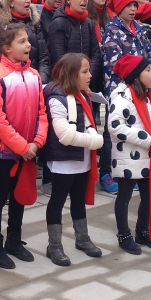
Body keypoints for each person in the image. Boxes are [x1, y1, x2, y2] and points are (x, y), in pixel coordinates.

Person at [0, 24, 48, 269]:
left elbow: (42, 112)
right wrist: (22, 146)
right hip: (5, 151)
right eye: (22, 42)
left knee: (20, 196)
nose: (28, 45)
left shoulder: (33, 75)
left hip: (29, 149)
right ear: (7, 48)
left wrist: (37, 141)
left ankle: (14, 240)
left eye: (28, 41)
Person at [43, 53, 104, 265]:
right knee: (57, 201)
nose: (90, 75)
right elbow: (64, 135)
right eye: (85, 72)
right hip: (63, 160)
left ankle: (82, 238)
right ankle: (54, 245)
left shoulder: (82, 94)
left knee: (78, 199)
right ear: (71, 74)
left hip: (82, 157)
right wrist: (94, 141)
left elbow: (87, 122)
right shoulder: (56, 97)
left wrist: (92, 137)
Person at [101, 0, 151, 193]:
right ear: (119, 8)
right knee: (115, 129)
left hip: (141, 87)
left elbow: (150, 53)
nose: (133, 9)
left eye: (135, 5)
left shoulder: (139, 28)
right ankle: (107, 172)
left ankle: (134, 169)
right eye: (128, 5)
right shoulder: (112, 29)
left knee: (138, 126)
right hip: (120, 87)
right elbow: (115, 62)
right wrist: (138, 76)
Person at [108, 54, 151, 254]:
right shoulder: (122, 96)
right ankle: (123, 235)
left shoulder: (146, 96)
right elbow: (115, 126)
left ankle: (142, 230)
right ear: (135, 75)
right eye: (147, 70)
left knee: (150, 195)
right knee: (124, 197)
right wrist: (146, 138)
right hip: (129, 158)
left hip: (147, 157)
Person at [0, 0, 52, 82]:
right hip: (9, 84)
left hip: (34, 81)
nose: (28, 0)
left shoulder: (34, 22)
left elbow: (44, 57)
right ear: (11, 2)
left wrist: (40, 82)